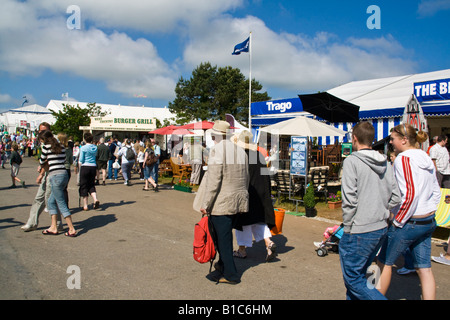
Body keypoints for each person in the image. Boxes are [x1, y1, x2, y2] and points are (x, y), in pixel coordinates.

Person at [377, 123, 441, 300]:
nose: (390, 142)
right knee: (424, 268)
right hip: (427, 220)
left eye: (392, 139)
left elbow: (409, 195)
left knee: (384, 263)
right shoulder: (426, 157)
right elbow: (436, 191)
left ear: (404, 140)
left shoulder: (403, 159)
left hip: (409, 221)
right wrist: (430, 210)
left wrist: (398, 221)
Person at [339, 121, 401, 300]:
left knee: (353, 279)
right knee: (359, 278)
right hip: (380, 227)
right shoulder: (386, 163)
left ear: (354, 138)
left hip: (359, 229)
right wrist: (381, 208)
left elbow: (349, 200)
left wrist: (348, 229)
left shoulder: (351, 161)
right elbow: (396, 197)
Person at [195, 120, 249, 284]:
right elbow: (246, 177)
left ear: (214, 135)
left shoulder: (217, 150)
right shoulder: (240, 151)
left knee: (222, 241)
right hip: (237, 201)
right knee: (223, 238)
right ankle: (221, 266)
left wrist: (206, 203)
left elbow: (214, 180)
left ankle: (231, 275)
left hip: (222, 203)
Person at [231, 130, 277, 261]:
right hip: (261, 193)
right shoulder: (259, 155)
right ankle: (269, 243)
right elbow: (265, 176)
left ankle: (242, 250)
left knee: (243, 222)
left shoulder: (240, 156)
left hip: (247, 193)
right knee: (258, 220)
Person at [21, 122, 62, 232]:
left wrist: (41, 173)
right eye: (40, 131)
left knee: (50, 199)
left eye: (43, 131)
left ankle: (57, 224)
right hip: (47, 174)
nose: (41, 133)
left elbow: (49, 161)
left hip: (51, 174)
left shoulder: (53, 144)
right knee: (39, 198)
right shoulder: (44, 142)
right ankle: (32, 222)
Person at [37, 130, 77, 237]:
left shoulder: (46, 147)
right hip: (64, 174)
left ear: (44, 139)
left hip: (55, 175)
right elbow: (63, 159)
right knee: (51, 202)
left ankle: (71, 228)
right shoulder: (62, 147)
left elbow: (41, 161)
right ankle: (53, 227)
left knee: (61, 203)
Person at [78, 132, 100, 211]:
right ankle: (95, 199)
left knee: (84, 185)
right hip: (93, 166)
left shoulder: (83, 148)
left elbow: (81, 159)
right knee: (91, 184)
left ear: (84, 139)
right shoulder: (95, 147)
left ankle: (85, 205)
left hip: (85, 166)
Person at [57, 133, 73, 207]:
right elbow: (71, 161)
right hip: (67, 169)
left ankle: (59, 205)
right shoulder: (69, 149)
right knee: (64, 189)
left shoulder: (57, 148)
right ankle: (66, 205)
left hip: (59, 169)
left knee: (57, 189)